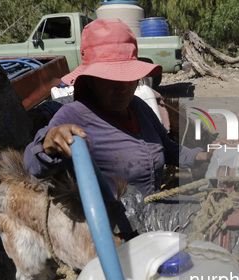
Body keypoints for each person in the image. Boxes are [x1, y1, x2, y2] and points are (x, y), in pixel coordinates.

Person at [24, 18, 210, 197]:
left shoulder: (139, 108)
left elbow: (166, 148)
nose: (122, 87)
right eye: (110, 79)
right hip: (112, 226)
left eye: (128, 77)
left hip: (154, 215)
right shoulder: (73, 116)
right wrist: (47, 144)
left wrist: (204, 156)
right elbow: (32, 166)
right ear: (90, 81)